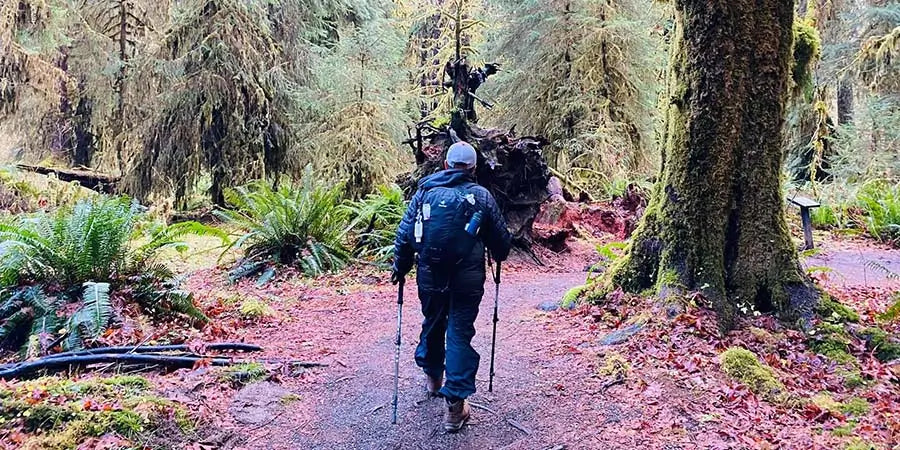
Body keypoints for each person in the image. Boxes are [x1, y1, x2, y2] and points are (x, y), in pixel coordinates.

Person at [391, 140, 511, 432]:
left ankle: (433, 378)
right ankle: (455, 407)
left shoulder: (425, 192)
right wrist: (495, 252)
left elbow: (406, 234)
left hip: (430, 276)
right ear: (473, 168)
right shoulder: (481, 196)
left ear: (445, 165)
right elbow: (502, 245)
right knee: (458, 332)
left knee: (433, 322)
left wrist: (400, 266)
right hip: (467, 281)